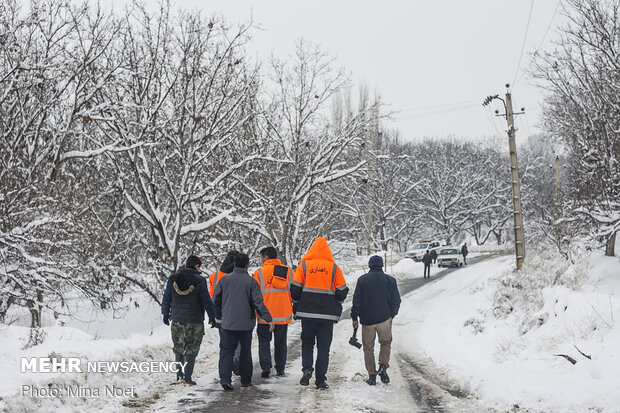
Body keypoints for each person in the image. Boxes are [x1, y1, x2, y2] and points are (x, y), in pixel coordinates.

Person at [291, 237, 349, 390]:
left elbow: (295, 289)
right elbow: (342, 291)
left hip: (307, 314)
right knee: (323, 348)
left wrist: (297, 303)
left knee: (307, 343)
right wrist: (335, 300)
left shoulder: (303, 267)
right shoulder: (334, 268)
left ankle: (307, 369)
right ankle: (320, 381)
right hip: (327, 316)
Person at [213, 253, 274, 390]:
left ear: (234, 264)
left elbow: (215, 300)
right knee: (245, 352)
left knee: (226, 352)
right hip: (246, 324)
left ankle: (225, 380)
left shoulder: (224, 280)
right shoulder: (251, 282)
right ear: (247, 265)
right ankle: (246, 380)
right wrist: (268, 318)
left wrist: (222, 313)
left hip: (228, 323)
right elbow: (258, 303)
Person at [161, 255, 215, 386]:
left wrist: (165, 313)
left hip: (177, 319)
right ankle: (188, 377)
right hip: (194, 320)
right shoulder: (200, 280)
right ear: (197, 266)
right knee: (191, 348)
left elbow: (166, 297)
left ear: (185, 265)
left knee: (179, 347)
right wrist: (212, 316)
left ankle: (179, 376)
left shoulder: (173, 278)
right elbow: (206, 300)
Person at [351, 256, 401, 386]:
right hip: (385, 319)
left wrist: (354, 317)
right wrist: (392, 315)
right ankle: (383, 366)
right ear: (381, 265)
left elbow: (357, 301)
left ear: (370, 265)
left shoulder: (362, 280)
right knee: (385, 343)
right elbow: (396, 301)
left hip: (367, 321)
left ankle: (372, 375)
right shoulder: (390, 280)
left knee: (368, 348)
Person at [252, 246, 293, 378]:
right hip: (283, 314)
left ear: (266, 257)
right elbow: (295, 291)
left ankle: (266, 367)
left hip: (265, 315)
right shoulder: (288, 271)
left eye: (262, 257)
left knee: (264, 341)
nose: (261, 260)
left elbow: (254, 294)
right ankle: (280, 368)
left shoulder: (259, 272)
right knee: (281, 342)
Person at [209, 250, 242, 374]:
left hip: (220, 314)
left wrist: (212, 315)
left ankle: (226, 364)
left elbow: (212, 296)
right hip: (237, 313)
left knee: (224, 341)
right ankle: (236, 359)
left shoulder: (214, 276)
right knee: (239, 339)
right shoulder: (242, 274)